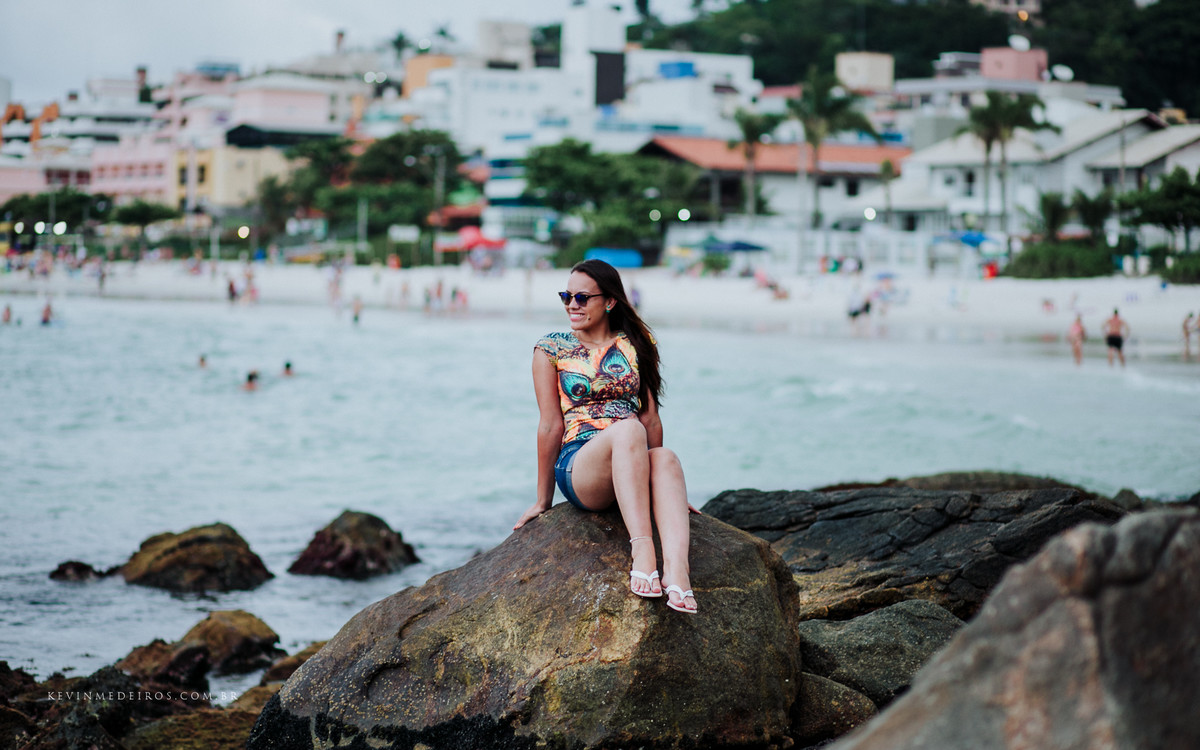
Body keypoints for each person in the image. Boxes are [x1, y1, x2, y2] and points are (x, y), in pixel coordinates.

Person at [513, 259, 699, 614]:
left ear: (609, 301)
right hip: (582, 466)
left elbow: (650, 417)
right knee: (628, 429)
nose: (572, 305)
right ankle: (643, 550)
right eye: (566, 296)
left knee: (667, 458)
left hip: (630, 457)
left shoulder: (636, 344)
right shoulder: (550, 349)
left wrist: (661, 485)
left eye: (582, 297)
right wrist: (542, 500)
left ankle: (678, 574)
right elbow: (550, 425)